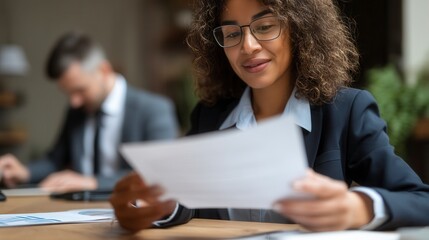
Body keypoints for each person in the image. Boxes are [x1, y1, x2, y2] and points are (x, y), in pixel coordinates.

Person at [109, 0, 429, 232]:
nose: (248, 46)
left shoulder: (346, 111)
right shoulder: (211, 116)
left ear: (298, 28)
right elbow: (188, 199)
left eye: (265, 26)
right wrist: (158, 207)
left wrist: (360, 208)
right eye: (232, 34)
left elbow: (420, 200)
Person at [0, 32, 179, 192]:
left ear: (104, 70)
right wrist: (24, 172)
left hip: (130, 212)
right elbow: (56, 159)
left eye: (80, 90)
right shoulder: (77, 109)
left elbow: (158, 172)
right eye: (68, 93)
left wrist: (93, 183)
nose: (74, 101)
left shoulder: (154, 109)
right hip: (73, 212)